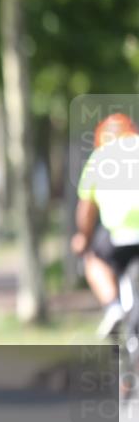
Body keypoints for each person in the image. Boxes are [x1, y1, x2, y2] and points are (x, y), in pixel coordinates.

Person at [71, 112, 139, 338]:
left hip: (119, 237)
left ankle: (113, 307)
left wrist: (83, 238)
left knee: (93, 260)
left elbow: (86, 210)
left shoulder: (100, 157)